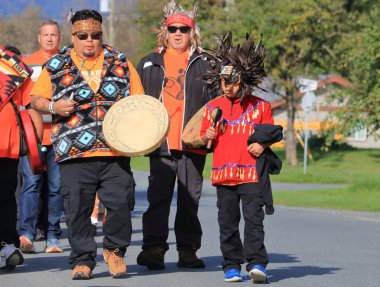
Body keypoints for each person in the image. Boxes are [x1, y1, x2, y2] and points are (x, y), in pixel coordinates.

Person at [30, 9, 144, 280]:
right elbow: (35, 100)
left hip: (115, 150)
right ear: (73, 36)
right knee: (77, 209)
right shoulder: (56, 64)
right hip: (74, 152)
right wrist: (52, 105)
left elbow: (139, 102)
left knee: (119, 204)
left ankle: (114, 252)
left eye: (95, 35)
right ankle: (82, 260)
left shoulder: (119, 60)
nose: (90, 40)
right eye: (83, 36)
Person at [136, 0, 212, 270]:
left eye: (184, 29)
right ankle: (154, 249)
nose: (178, 33)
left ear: (193, 33)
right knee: (158, 198)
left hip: (192, 142)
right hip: (160, 142)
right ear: (165, 32)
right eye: (173, 29)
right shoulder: (149, 63)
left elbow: (217, 103)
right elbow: (135, 101)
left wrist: (213, 129)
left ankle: (188, 251)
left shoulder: (206, 64)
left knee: (190, 200)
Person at [200, 32, 281, 283]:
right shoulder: (213, 108)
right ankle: (231, 265)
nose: (228, 86)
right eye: (224, 81)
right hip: (224, 175)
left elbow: (272, 131)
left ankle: (257, 264)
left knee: (254, 221)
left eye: (232, 81)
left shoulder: (261, 106)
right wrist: (209, 134)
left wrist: (262, 143)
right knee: (228, 223)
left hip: (252, 174)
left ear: (243, 81)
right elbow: (204, 140)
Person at [18, 19, 64, 254]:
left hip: (59, 136)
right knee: (31, 185)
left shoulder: (67, 62)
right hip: (33, 138)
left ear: (60, 38)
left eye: (53, 35)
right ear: (38, 37)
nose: (49, 38)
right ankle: (26, 233)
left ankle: (53, 236)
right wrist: (32, 132)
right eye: (45, 35)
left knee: (56, 188)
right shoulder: (26, 64)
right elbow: (25, 102)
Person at [0, 45, 41, 271]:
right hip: (7, 146)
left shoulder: (12, 64)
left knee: (5, 197)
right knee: (6, 198)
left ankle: (7, 248)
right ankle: (7, 247)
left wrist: (38, 143)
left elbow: (31, 102)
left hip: (8, 145)